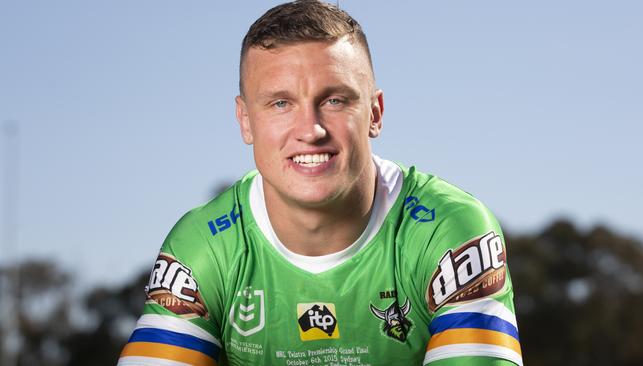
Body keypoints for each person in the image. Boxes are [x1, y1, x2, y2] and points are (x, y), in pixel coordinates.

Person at [117, 1, 522, 365]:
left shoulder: (449, 231)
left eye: (335, 100)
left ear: (375, 113)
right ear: (245, 120)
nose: (309, 130)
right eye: (280, 103)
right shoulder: (205, 246)